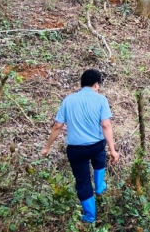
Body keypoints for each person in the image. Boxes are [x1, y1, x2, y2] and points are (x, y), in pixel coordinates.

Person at [41, 69, 119, 224]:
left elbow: (57, 126)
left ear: (81, 83)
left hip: (76, 149)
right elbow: (105, 125)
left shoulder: (68, 100)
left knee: (82, 181)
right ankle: (99, 187)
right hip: (96, 145)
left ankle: (90, 216)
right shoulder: (101, 99)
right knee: (99, 159)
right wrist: (112, 149)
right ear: (96, 84)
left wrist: (47, 147)